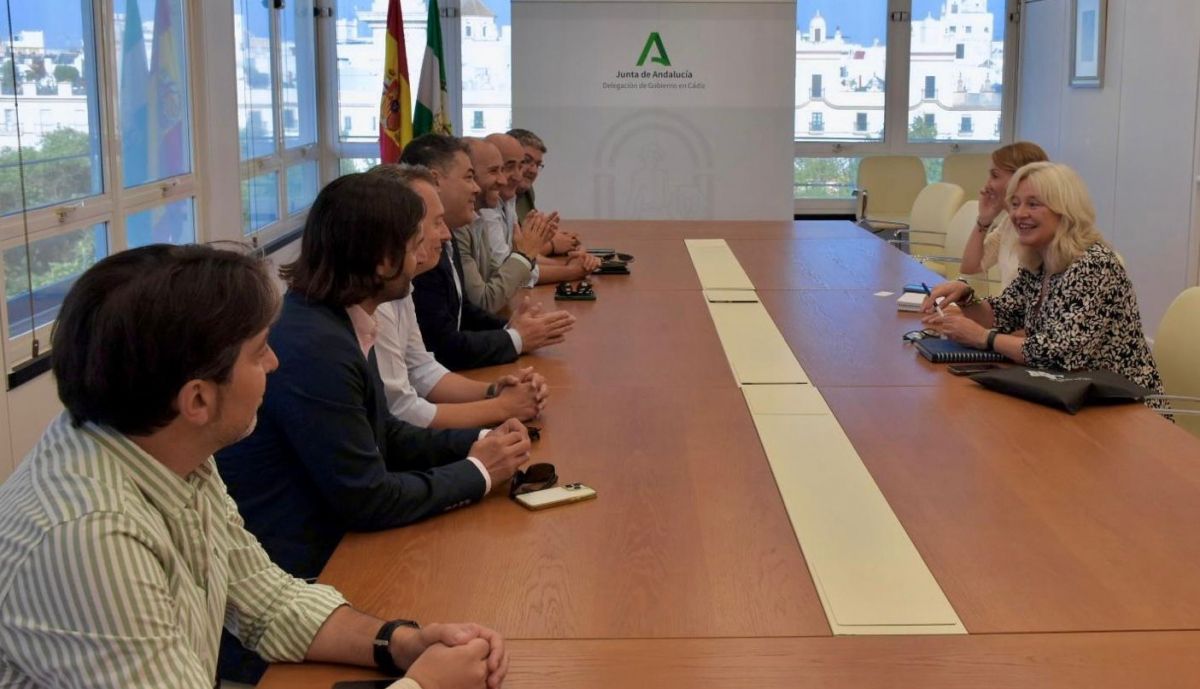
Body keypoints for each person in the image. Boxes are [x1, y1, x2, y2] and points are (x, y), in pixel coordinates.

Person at [0, 244, 508, 689]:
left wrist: (398, 643)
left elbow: (267, 601)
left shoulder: (168, 447)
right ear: (197, 399)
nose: (274, 365)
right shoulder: (90, 537)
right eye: (260, 351)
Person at [923, 162, 1164, 397]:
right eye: (1015, 204)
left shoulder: (1094, 264)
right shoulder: (1038, 259)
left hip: (1122, 405)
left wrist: (983, 338)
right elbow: (1002, 315)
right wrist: (966, 297)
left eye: (1033, 204)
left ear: (1065, 210)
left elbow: (1061, 355)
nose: (1019, 214)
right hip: (1069, 393)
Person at [370, 163, 550, 429]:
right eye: (436, 223)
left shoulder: (402, 284)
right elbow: (401, 410)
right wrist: (500, 407)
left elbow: (422, 369)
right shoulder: (377, 298)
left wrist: (494, 391)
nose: (445, 235)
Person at [402, 133, 576, 370]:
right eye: (469, 177)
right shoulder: (420, 249)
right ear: (435, 181)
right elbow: (442, 346)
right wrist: (516, 338)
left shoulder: (450, 232)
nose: (504, 180)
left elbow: (463, 309)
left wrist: (510, 329)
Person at [455, 137, 553, 315]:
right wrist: (524, 254)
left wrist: (524, 253)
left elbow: (499, 275)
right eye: (494, 171)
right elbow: (484, 301)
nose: (503, 180)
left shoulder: (478, 218)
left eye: (502, 169)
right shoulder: (458, 228)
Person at [959, 141, 1049, 288]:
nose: (987, 184)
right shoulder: (1008, 223)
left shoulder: (1039, 230)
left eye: (994, 176)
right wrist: (984, 219)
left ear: (1019, 178)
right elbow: (970, 267)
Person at [507, 128, 581, 256]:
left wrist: (553, 236)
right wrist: (552, 245)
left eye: (538, 164)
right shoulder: (497, 198)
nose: (534, 170)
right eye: (527, 161)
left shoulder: (527, 191)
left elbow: (531, 239)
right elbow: (513, 254)